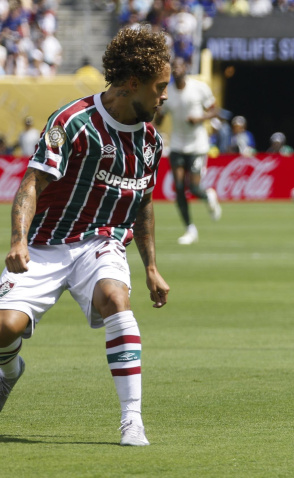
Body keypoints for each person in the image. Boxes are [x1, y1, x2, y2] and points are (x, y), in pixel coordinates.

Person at [0, 26, 172, 446]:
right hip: (44, 243)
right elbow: (31, 185)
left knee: (116, 298)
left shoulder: (150, 141)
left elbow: (143, 202)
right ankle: (8, 370)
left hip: (101, 242)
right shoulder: (71, 122)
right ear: (132, 82)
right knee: (5, 328)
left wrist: (151, 266)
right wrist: (18, 240)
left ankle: (132, 420)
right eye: (159, 87)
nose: (164, 96)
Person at [155, 57, 221, 246]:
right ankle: (190, 229)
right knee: (178, 187)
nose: (176, 69)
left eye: (179, 66)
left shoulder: (199, 88)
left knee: (193, 187)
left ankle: (208, 196)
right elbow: (159, 119)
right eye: (173, 67)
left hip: (198, 145)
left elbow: (215, 112)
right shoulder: (167, 92)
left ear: (186, 68)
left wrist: (200, 119)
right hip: (177, 145)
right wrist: (154, 113)